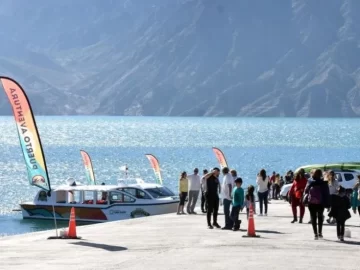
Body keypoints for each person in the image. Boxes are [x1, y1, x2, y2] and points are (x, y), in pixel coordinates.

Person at [304, 169, 330, 240]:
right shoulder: (323, 182)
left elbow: (306, 191)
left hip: (311, 202)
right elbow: (326, 194)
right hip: (320, 202)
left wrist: (305, 200)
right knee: (320, 217)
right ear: (321, 174)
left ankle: (315, 234)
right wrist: (327, 204)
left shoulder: (310, 181)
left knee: (313, 217)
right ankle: (320, 233)